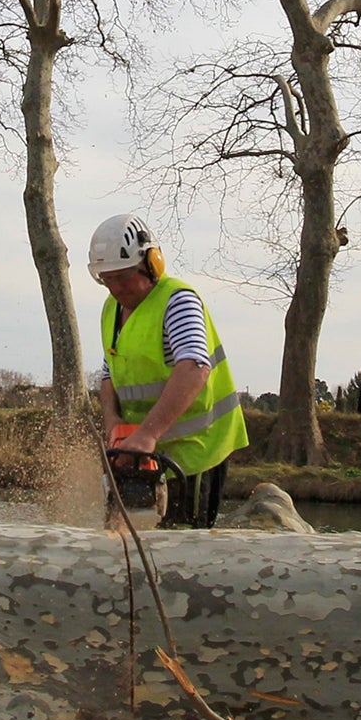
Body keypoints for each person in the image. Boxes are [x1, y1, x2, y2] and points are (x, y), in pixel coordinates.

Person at [90, 213, 249, 529]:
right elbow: (109, 373)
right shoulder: (112, 309)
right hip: (143, 449)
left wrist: (147, 434)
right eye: (107, 279)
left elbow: (194, 366)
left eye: (123, 277)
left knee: (184, 549)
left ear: (152, 263)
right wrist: (113, 422)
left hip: (195, 449)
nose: (116, 287)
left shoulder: (177, 301)